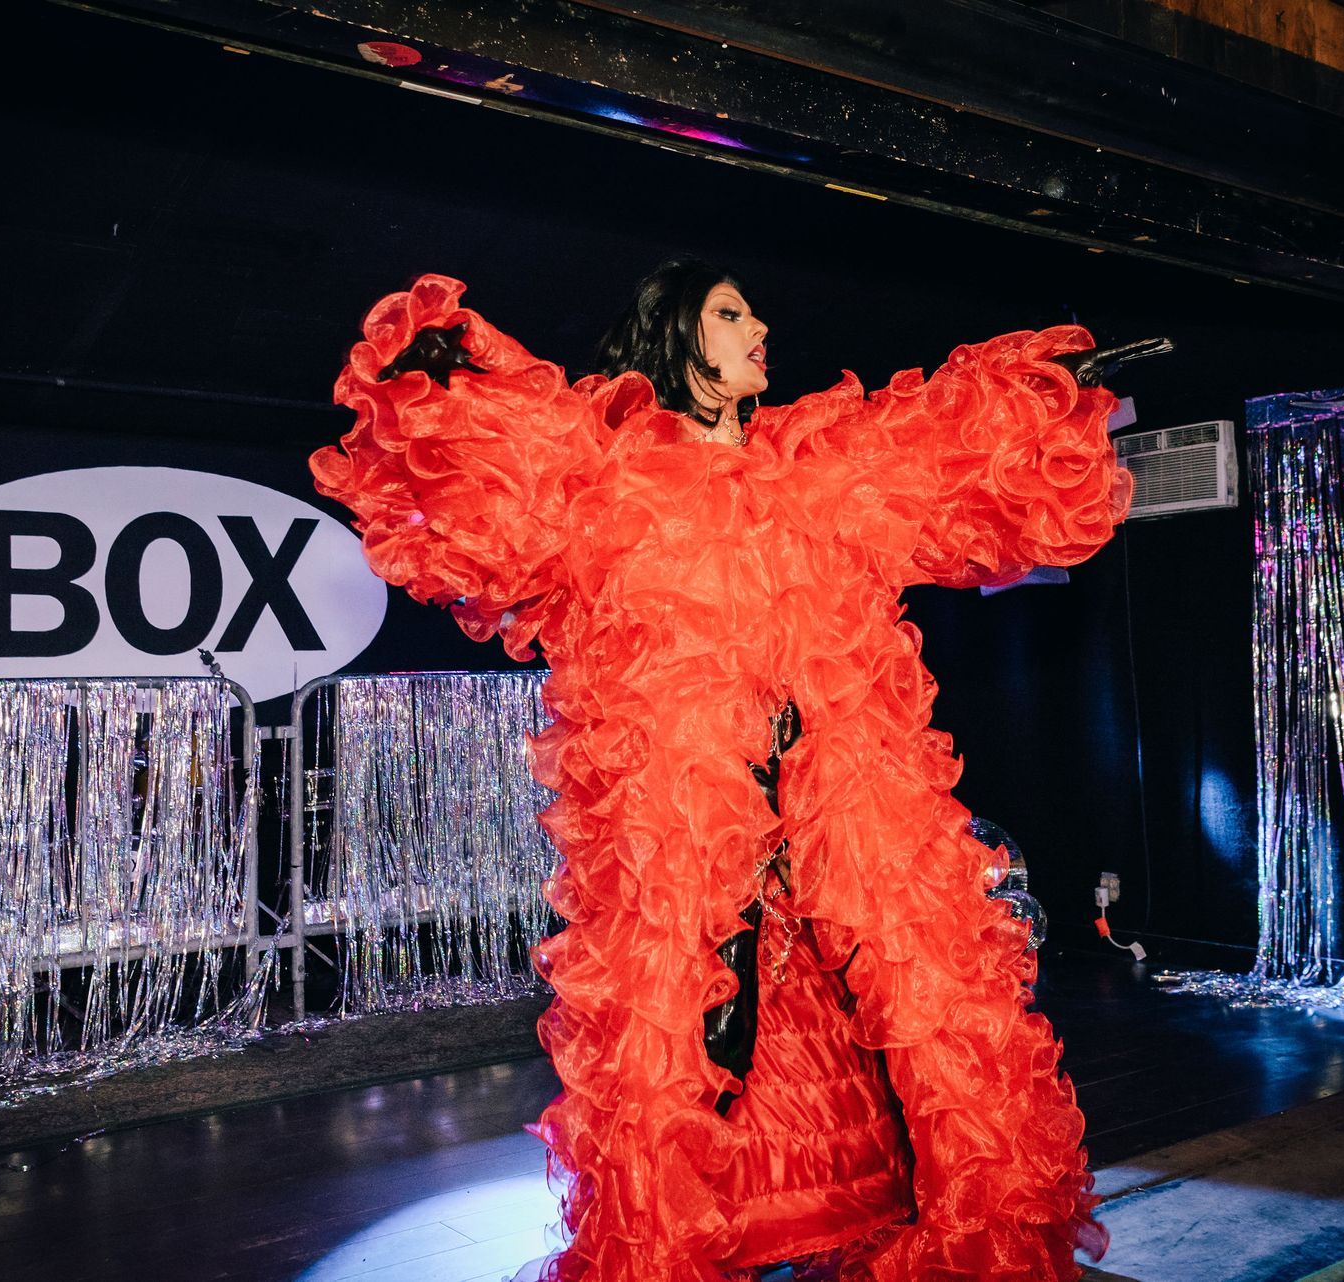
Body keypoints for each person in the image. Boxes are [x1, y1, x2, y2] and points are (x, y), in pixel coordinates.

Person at [310, 262, 1160, 1282]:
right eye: (729, 312)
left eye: (753, 308)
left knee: (924, 999)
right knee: (689, 1029)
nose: (759, 324)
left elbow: (940, 443)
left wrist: (1045, 390)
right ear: (678, 336)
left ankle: (974, 1230)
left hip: (842, 793)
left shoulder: (811, 464)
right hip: (687, 812)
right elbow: (498, 465)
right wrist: (435, 378)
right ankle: (675, 1250)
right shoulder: (610, 469)